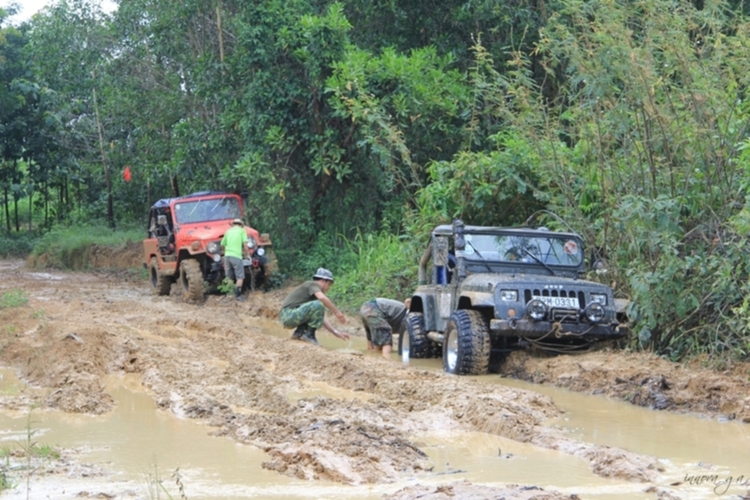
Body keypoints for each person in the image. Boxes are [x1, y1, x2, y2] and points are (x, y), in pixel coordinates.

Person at [279, 268, 349, 345]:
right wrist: (337, 312)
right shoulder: (312, 284)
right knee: (319, 304)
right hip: (288, 315)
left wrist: (335, 332)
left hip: (288, 317)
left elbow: (321, 316)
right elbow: (322, 299)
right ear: (323, 281)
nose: (328, 288)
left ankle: (299, 333)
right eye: (329, 284)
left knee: (318, 305)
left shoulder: (312, 297)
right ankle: (309, 335)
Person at [220, 218, 248, 301]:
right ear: (241, 225)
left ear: (233, 224)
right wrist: (248, 255)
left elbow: (222, 244)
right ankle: (238, 295)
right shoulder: (242, 231)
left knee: (229, 277)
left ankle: (230, 295)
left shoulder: (228, 231)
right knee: (240, 277)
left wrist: (225, 252)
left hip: (227, 256)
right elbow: (245, 245)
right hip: (236, 256)